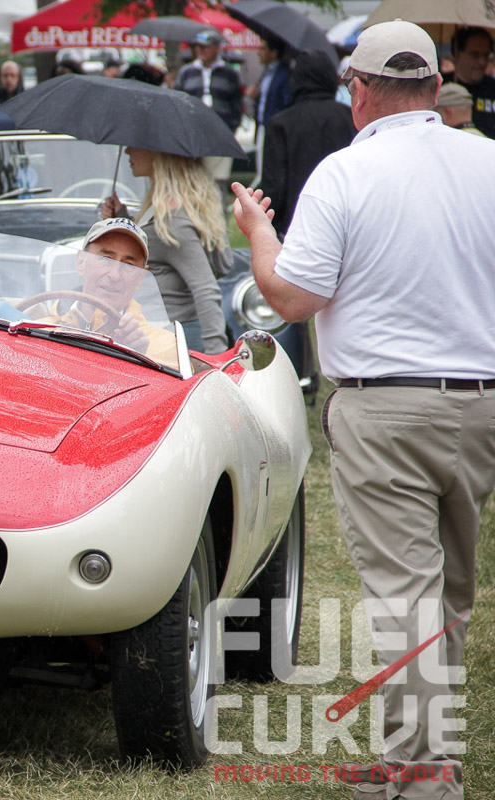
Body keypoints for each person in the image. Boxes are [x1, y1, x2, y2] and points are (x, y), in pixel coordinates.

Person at [231, 20, 495, 800]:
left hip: (387, 408)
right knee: (446, 592)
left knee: (409, 595)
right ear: (433, 83)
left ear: (363, 89)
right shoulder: (487, 160)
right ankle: (417, 754)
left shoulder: (349, 173)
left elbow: (289, 296)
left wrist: (258, 233)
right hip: (480, 402)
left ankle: (420, 773)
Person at [100, 148, 229, 354]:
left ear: (160, 154)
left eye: (136, 144)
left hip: (173, 338)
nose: (127, 151)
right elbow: (156, 247)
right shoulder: (167, 208)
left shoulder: (173, 221)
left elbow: (205, 288)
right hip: (160, 331)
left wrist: (217, 355)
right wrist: (121, 217)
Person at [32, 217, 177, 365]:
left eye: (128, 265)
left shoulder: (167, 348)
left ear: (140, 278)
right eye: (106, 259)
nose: (115, 275)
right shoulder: (39, 331)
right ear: (81, 261)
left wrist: (137, 359)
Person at [259, 50, 356, 237]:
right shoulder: (351, 118)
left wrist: (276, 225)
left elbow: (274, 186)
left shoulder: (281, 124)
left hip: (296, 225)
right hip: (345, 222)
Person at [176, 30, 242, 187]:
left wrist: (231, 128)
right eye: (198, 47)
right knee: (194, 178)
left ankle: (218, 211)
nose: (200, 51)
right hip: (193, 133)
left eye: (204, 47)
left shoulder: (229, 73)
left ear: (216, 48)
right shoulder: (186, 72)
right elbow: (178, 102)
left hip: (220, 131)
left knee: (218, 180)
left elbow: (237, 104)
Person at [442, 27, 495, 137]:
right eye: (475, 55)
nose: (482, 62)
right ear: (457, 53)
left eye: (486, 55)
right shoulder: (442, 86)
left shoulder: (492, 88)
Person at [248, 37, 293, 132]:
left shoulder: (284, 75)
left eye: (263, 49)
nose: (258, 53)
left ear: (273, 53)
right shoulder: (266, 72)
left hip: (274, 128)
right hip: (261, 126)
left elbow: (286, 103)